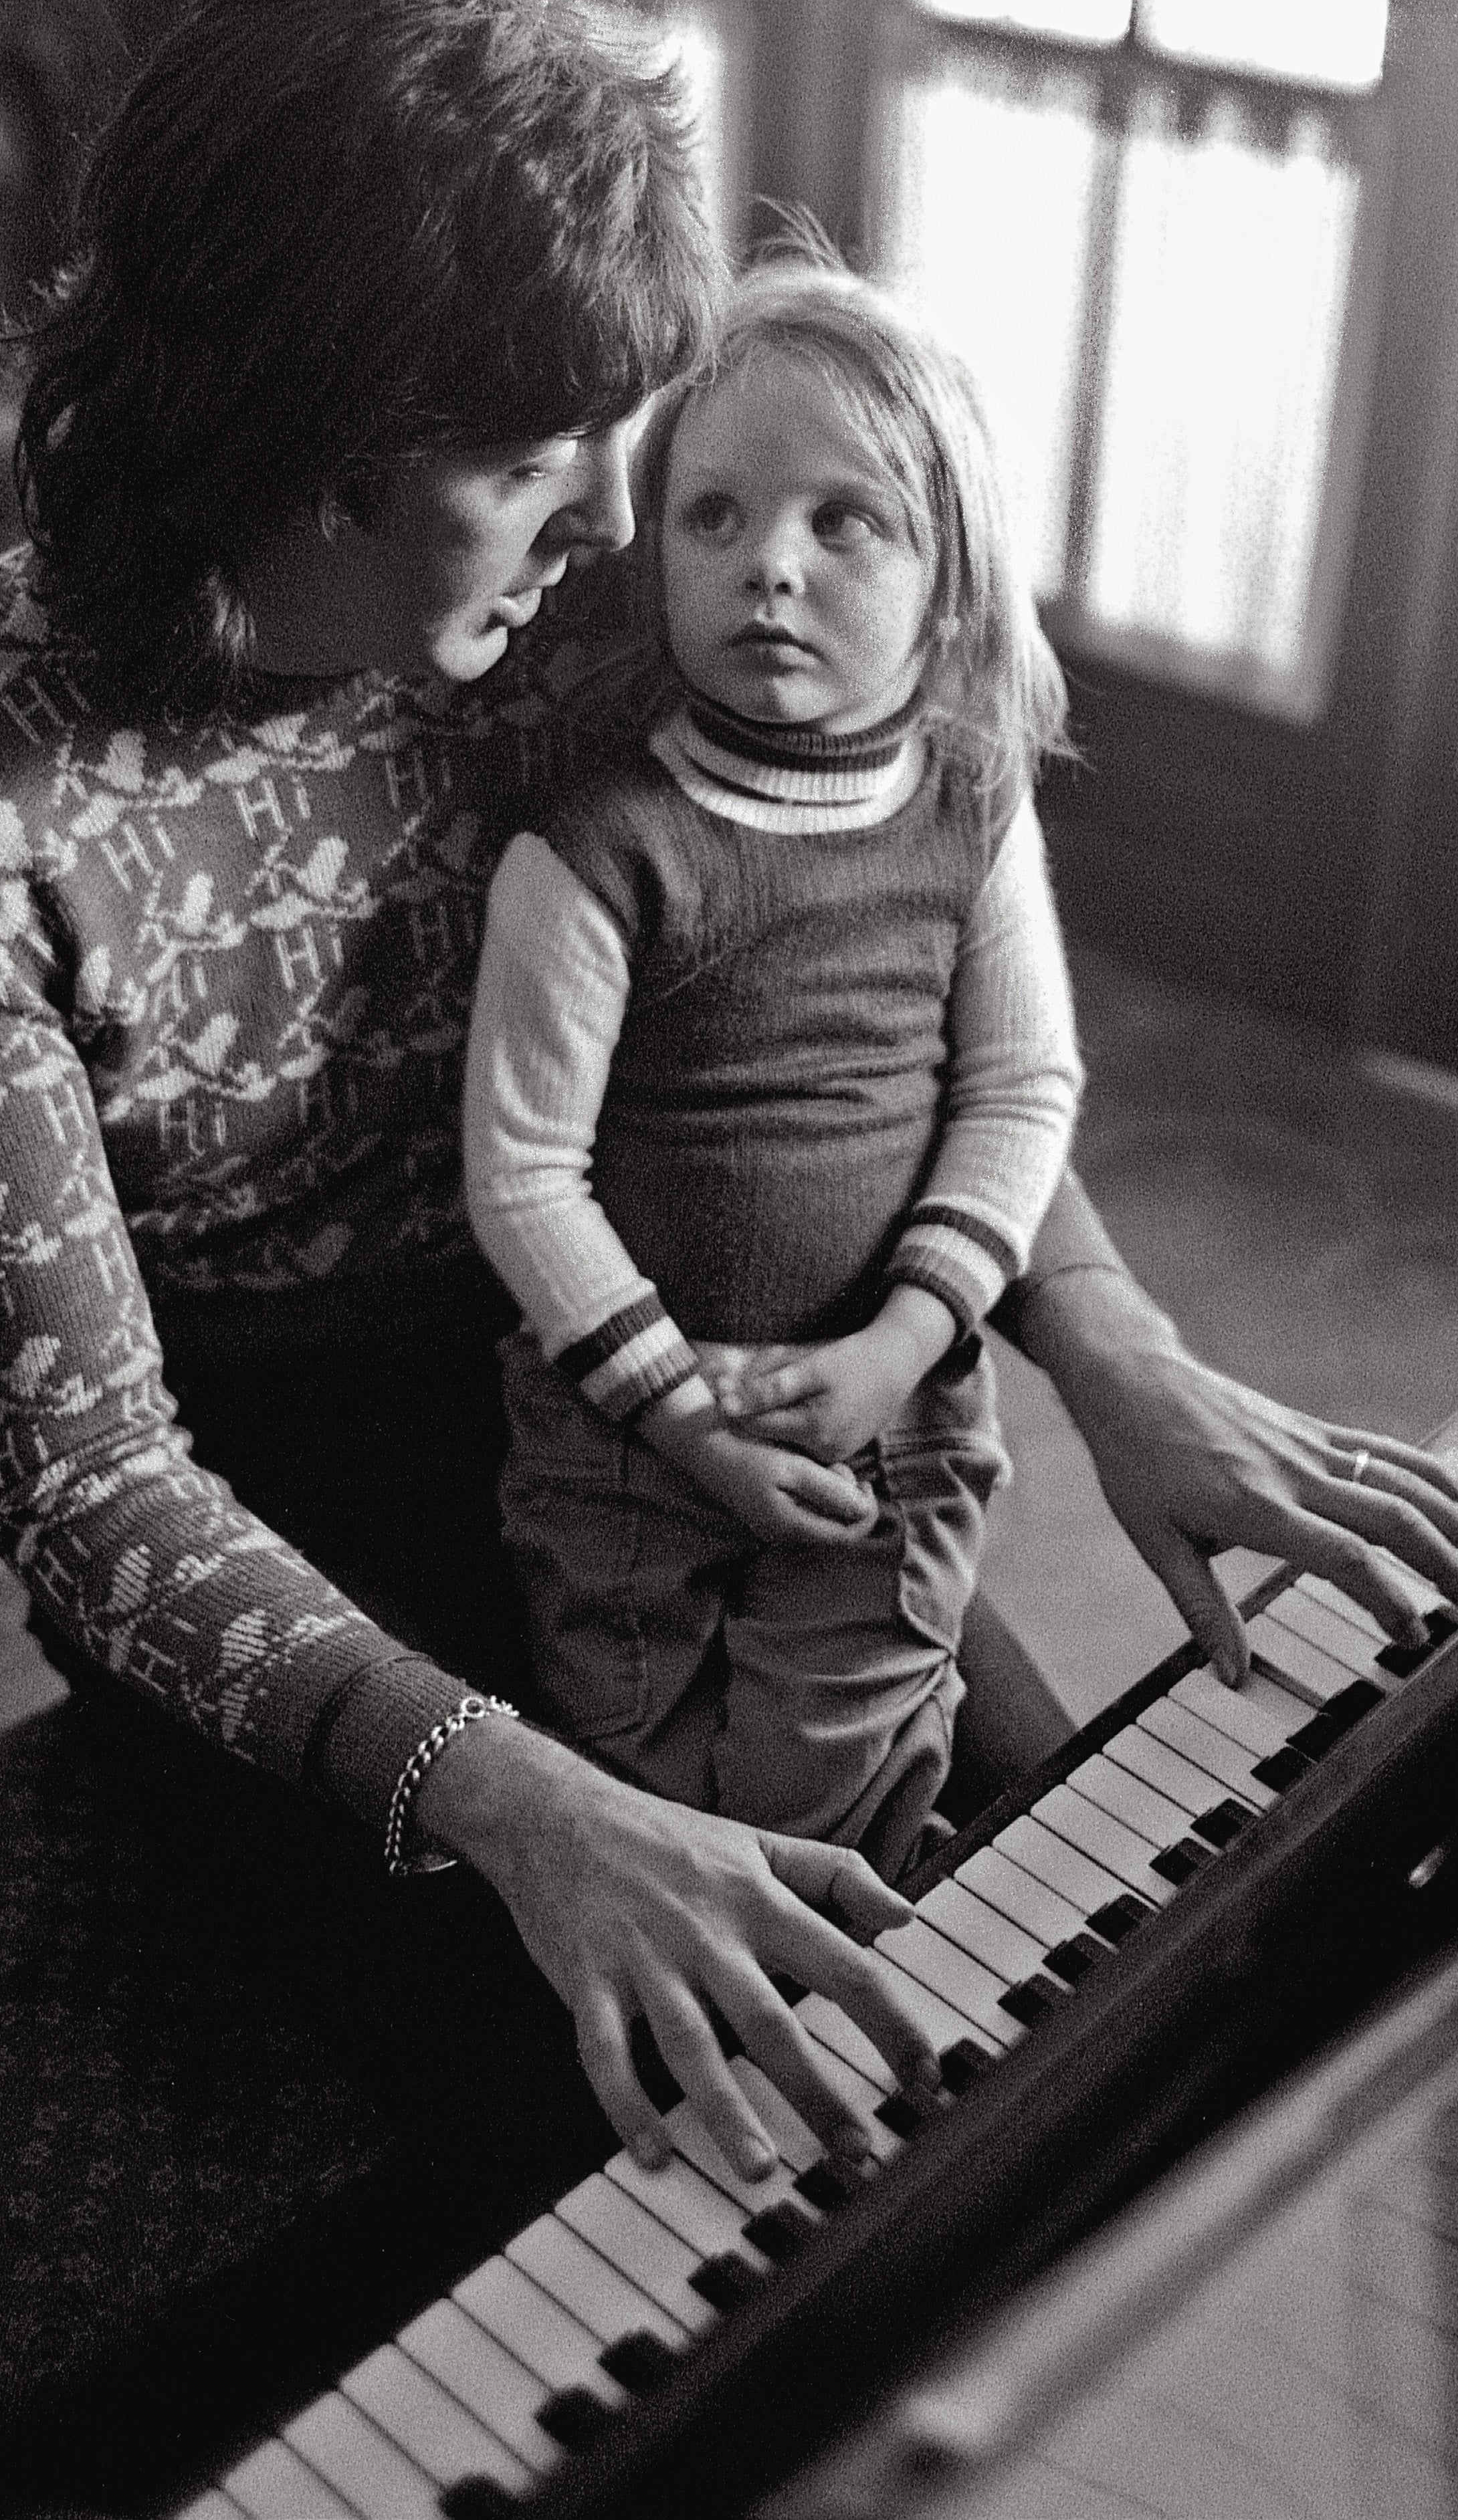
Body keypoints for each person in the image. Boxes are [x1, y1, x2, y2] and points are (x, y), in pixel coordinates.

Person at [0, 0, 1458, 2194]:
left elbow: (870, 988)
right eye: (539, 459)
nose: (629, 519)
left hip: (685, 1367)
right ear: (332, 460)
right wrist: (526, 1802)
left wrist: (1107, 1346)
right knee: (663, 2131)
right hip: (278, 1504)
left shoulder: (569, 603)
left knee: (1066, 1932)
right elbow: (97, 1491)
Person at [464, 255, 1082, 1880]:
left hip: (879, 1420)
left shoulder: (971, 806)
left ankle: (857, 2058)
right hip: (620, 1442)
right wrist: (674, 1415)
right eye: (714, 517)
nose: (770, 570)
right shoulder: (599, 849)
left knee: (835, 1780)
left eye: (842, 521)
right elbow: (522, 1172)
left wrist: (905, 1338)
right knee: (644, 1790)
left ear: (947, 577)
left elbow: (1019, 1091)